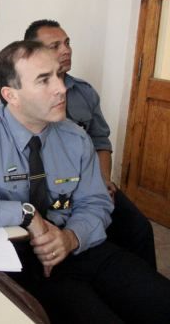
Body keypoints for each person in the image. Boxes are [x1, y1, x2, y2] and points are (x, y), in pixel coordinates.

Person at [0, 40, 170, 323]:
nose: (61, 88)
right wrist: (25, 214)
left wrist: (70, 238)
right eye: (44, 80)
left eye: (59, 75)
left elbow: (96, 203)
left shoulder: (75, 138)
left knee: (160, 300)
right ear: (11, 95)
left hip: (77, 245)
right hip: (17, 259)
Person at [24, 19, 157, 269]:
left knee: (138, 227)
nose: (66, 50)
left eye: (67, 43)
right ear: (33, 54)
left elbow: (100, 140)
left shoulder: (84, 93)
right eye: (55, 46)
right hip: (54, 187)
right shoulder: (24, 95)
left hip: (92, 181)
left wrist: (104, 180)